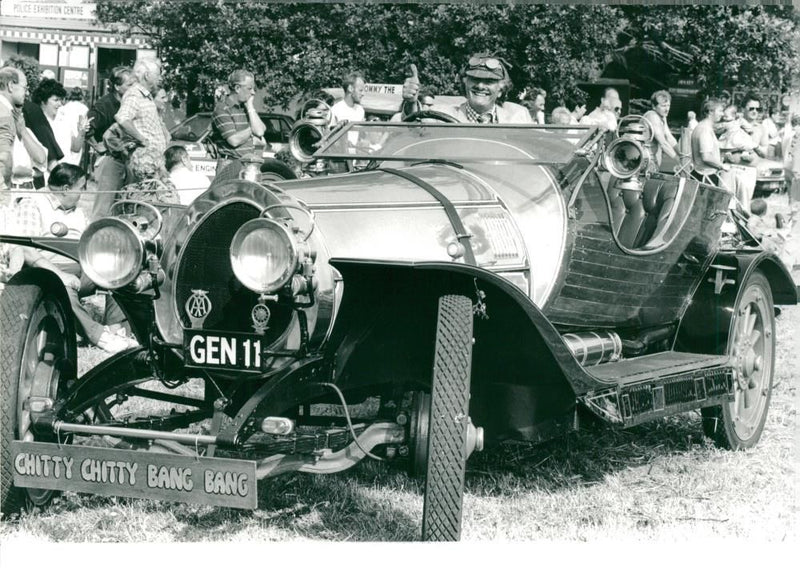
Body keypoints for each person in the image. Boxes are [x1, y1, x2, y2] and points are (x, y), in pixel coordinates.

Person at [12, 163, 136, 353]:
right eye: (80, 188)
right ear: (65, 189)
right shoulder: (32, 203)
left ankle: (117, 330)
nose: (83, 194)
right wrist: (60, 275)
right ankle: (99, 336)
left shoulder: (76, 210)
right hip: (47, 270)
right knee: (62, 289)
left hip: (83, 266)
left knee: (120, 272)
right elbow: (27, 251)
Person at [401, 53, 532, 123]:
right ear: (465, 82)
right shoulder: (441, 116)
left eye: (489, 81)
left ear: (501, 89)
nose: (480, 86)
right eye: (475, 79)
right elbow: (415, 130)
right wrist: (411, 102)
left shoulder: (518, 117)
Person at [86, 66, 135, 219]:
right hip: (110, 160)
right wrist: (97, 146)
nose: (132, 88)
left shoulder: (131, 103)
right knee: (104, 208)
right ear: (117, 86)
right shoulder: (104, 105)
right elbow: (86, 127)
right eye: (129, 85)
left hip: (127, 160)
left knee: (124, 207)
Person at [115, 57, 170, 183]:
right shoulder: (135, 94)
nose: (160, 78)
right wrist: (142, 139)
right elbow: (122, 118)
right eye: (157, 74)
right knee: (139, 198)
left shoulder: (145, 95)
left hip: (152, 162)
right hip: (143, 164)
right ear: (147, 75)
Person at [209, 69, 266, 173]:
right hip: (229, 164)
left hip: (247, 164)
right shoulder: (222, 109)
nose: (253, 93)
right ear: (237, 88)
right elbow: (233, 140)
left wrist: (250, 107)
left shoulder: (245, 108)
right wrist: (251, 130)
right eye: (249, 88)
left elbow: (260, 131)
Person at [718, 104, 758, 212]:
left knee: (746, 145)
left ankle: (745, 154)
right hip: (729, 142)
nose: (725, 119)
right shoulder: (724, 124)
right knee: (726, 148)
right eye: (724, 116)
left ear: (735, 116)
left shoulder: (739, 121)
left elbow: (749, 128)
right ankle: (728, 155)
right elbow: (718, 129)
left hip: (738, 139)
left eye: (727, 116)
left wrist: (749, 131)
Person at [22, 78, 66, 175]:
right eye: (56, 100)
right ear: (42, 101)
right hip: (38, 176)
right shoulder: (33, 113)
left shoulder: (63, 119)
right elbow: (51, 159)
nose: (60, 104)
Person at [690, 98, 729, 187]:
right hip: (705, 176)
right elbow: (706, 157)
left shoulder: (702, 127)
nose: (722, 114)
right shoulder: (705, 129)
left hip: (702, 175)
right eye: (720, 111)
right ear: (711, 111)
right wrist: (722, 166)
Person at [0, 66, 28, 191]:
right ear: (11, 85)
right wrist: (5, 191)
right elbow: (4, 157)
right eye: (24, 88)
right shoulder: (4, 113)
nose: (26, 93)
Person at [642, 90, 678, 171]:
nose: (667, 109)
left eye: (668, 105)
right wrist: (679, 160)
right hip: (645, 161)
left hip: (651, 161)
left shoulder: (662, 117)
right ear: (654, 106)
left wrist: (683, 155)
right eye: (663, 106)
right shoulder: (652, 116)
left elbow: (669, 137)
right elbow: (663, 143)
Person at [57, 87, 90, 166]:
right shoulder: (84, 108)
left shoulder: (63, 107)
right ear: (82, 96)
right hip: (77, 135)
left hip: (64, 137)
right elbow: (83, 125)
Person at [740, 93, 768, 157]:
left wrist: (755, 146)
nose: (755, 111)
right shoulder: (734, 125)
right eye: (751, 108)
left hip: (753, 165)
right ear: (743, 109)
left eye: (757, 109)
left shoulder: (762, 129)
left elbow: (765, 153)